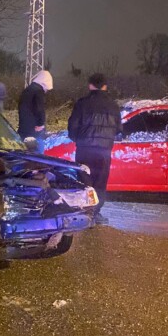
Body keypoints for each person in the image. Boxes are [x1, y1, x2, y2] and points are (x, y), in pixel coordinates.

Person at [67, 73, 121, 225]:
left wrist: (78, 139)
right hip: (104, 151)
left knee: (84, 180)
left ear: (90, 85)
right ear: (105, 86)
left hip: (84, 149)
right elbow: (118, 129)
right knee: (100, 182)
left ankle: (84, 212)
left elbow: (72, 127)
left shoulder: (82, 104)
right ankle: (95, 213)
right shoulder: (113, 105)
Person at [18, 70, 53, 153]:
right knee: (38, 150)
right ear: (45, 82)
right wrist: (40, 124)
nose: (46, 90)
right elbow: (39, 109)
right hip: (34, 128)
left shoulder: (27, 90)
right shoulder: (38, 91)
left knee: (23, 151)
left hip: (24, 127)